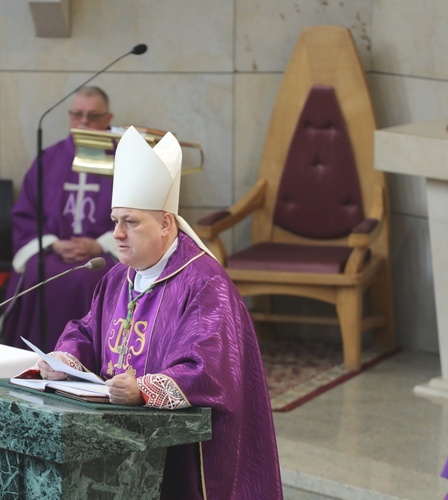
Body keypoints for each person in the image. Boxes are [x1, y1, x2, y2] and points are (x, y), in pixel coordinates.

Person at [35, 127, 282, 498]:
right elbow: (89, 330)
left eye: (130, 222)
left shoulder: (204, 284)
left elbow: (207, 368)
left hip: (184, 455)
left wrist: (143, 390)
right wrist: (65, 356)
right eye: (115, 220)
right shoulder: (119, 277)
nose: (117, 233)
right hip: (115, 441)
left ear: (166, 224)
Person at [1, 86, 119, 352]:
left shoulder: (123, 160)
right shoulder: (49, 159)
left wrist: (100, 244)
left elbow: (138, 214)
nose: (84, 122)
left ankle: (92, 357)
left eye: (93, 116)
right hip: (56, 251)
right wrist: (52, 243)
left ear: (109, 118)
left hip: (104, 255)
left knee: (89, 279)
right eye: (77, 114)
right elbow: (25, 214)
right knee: (38, 271)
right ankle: (30, 357)